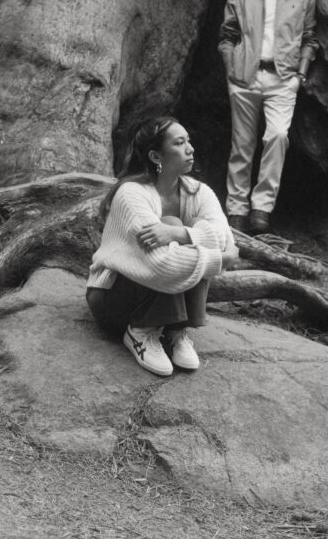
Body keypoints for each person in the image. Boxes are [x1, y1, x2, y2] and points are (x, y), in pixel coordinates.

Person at [86, 116, 238, 377]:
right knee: (173, 230)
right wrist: (221, 259)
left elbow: (225, 238)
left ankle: (175, 330)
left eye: (188, 141)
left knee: (175, 226)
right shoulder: (131, 194)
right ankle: (140, 331)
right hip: (115, 299)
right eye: (179, 143)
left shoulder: (199, 192)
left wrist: (178, 233)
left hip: (161, 287)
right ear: (156, 157)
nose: (190, 148)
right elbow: (162, 266)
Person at [218, 0, 319, 236]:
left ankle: (261, 208)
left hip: (283, 79)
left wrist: (300, 76)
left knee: (277, 137)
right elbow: (227, 36)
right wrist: (231, 71)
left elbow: (310, 39)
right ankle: (236, 211)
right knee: (242, 146)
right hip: (245, 78)